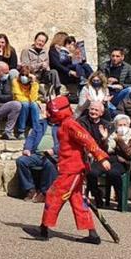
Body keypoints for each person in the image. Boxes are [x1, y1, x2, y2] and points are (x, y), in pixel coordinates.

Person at [33, 96, 112, 243]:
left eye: (52, 112)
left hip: (72, 169)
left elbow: (87, 139)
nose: (49, 115)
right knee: (77, 200)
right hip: (68, 167)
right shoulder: (64, 124)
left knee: (53, 195)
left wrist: (101, 157)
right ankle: (93, 234)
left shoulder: (70, 125)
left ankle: (44, 229)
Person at [16, 111, 58, 202]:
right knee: (21, 161)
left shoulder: (63, 126)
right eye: (49, 112)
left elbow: (65, 143)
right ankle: (30, 189)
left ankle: (44, 193)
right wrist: (27, 148)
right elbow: (31, 137)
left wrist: (54, 150)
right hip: (37, 154)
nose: (50, 114)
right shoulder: (40, 123)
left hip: (53, 156)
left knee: (49, 164)